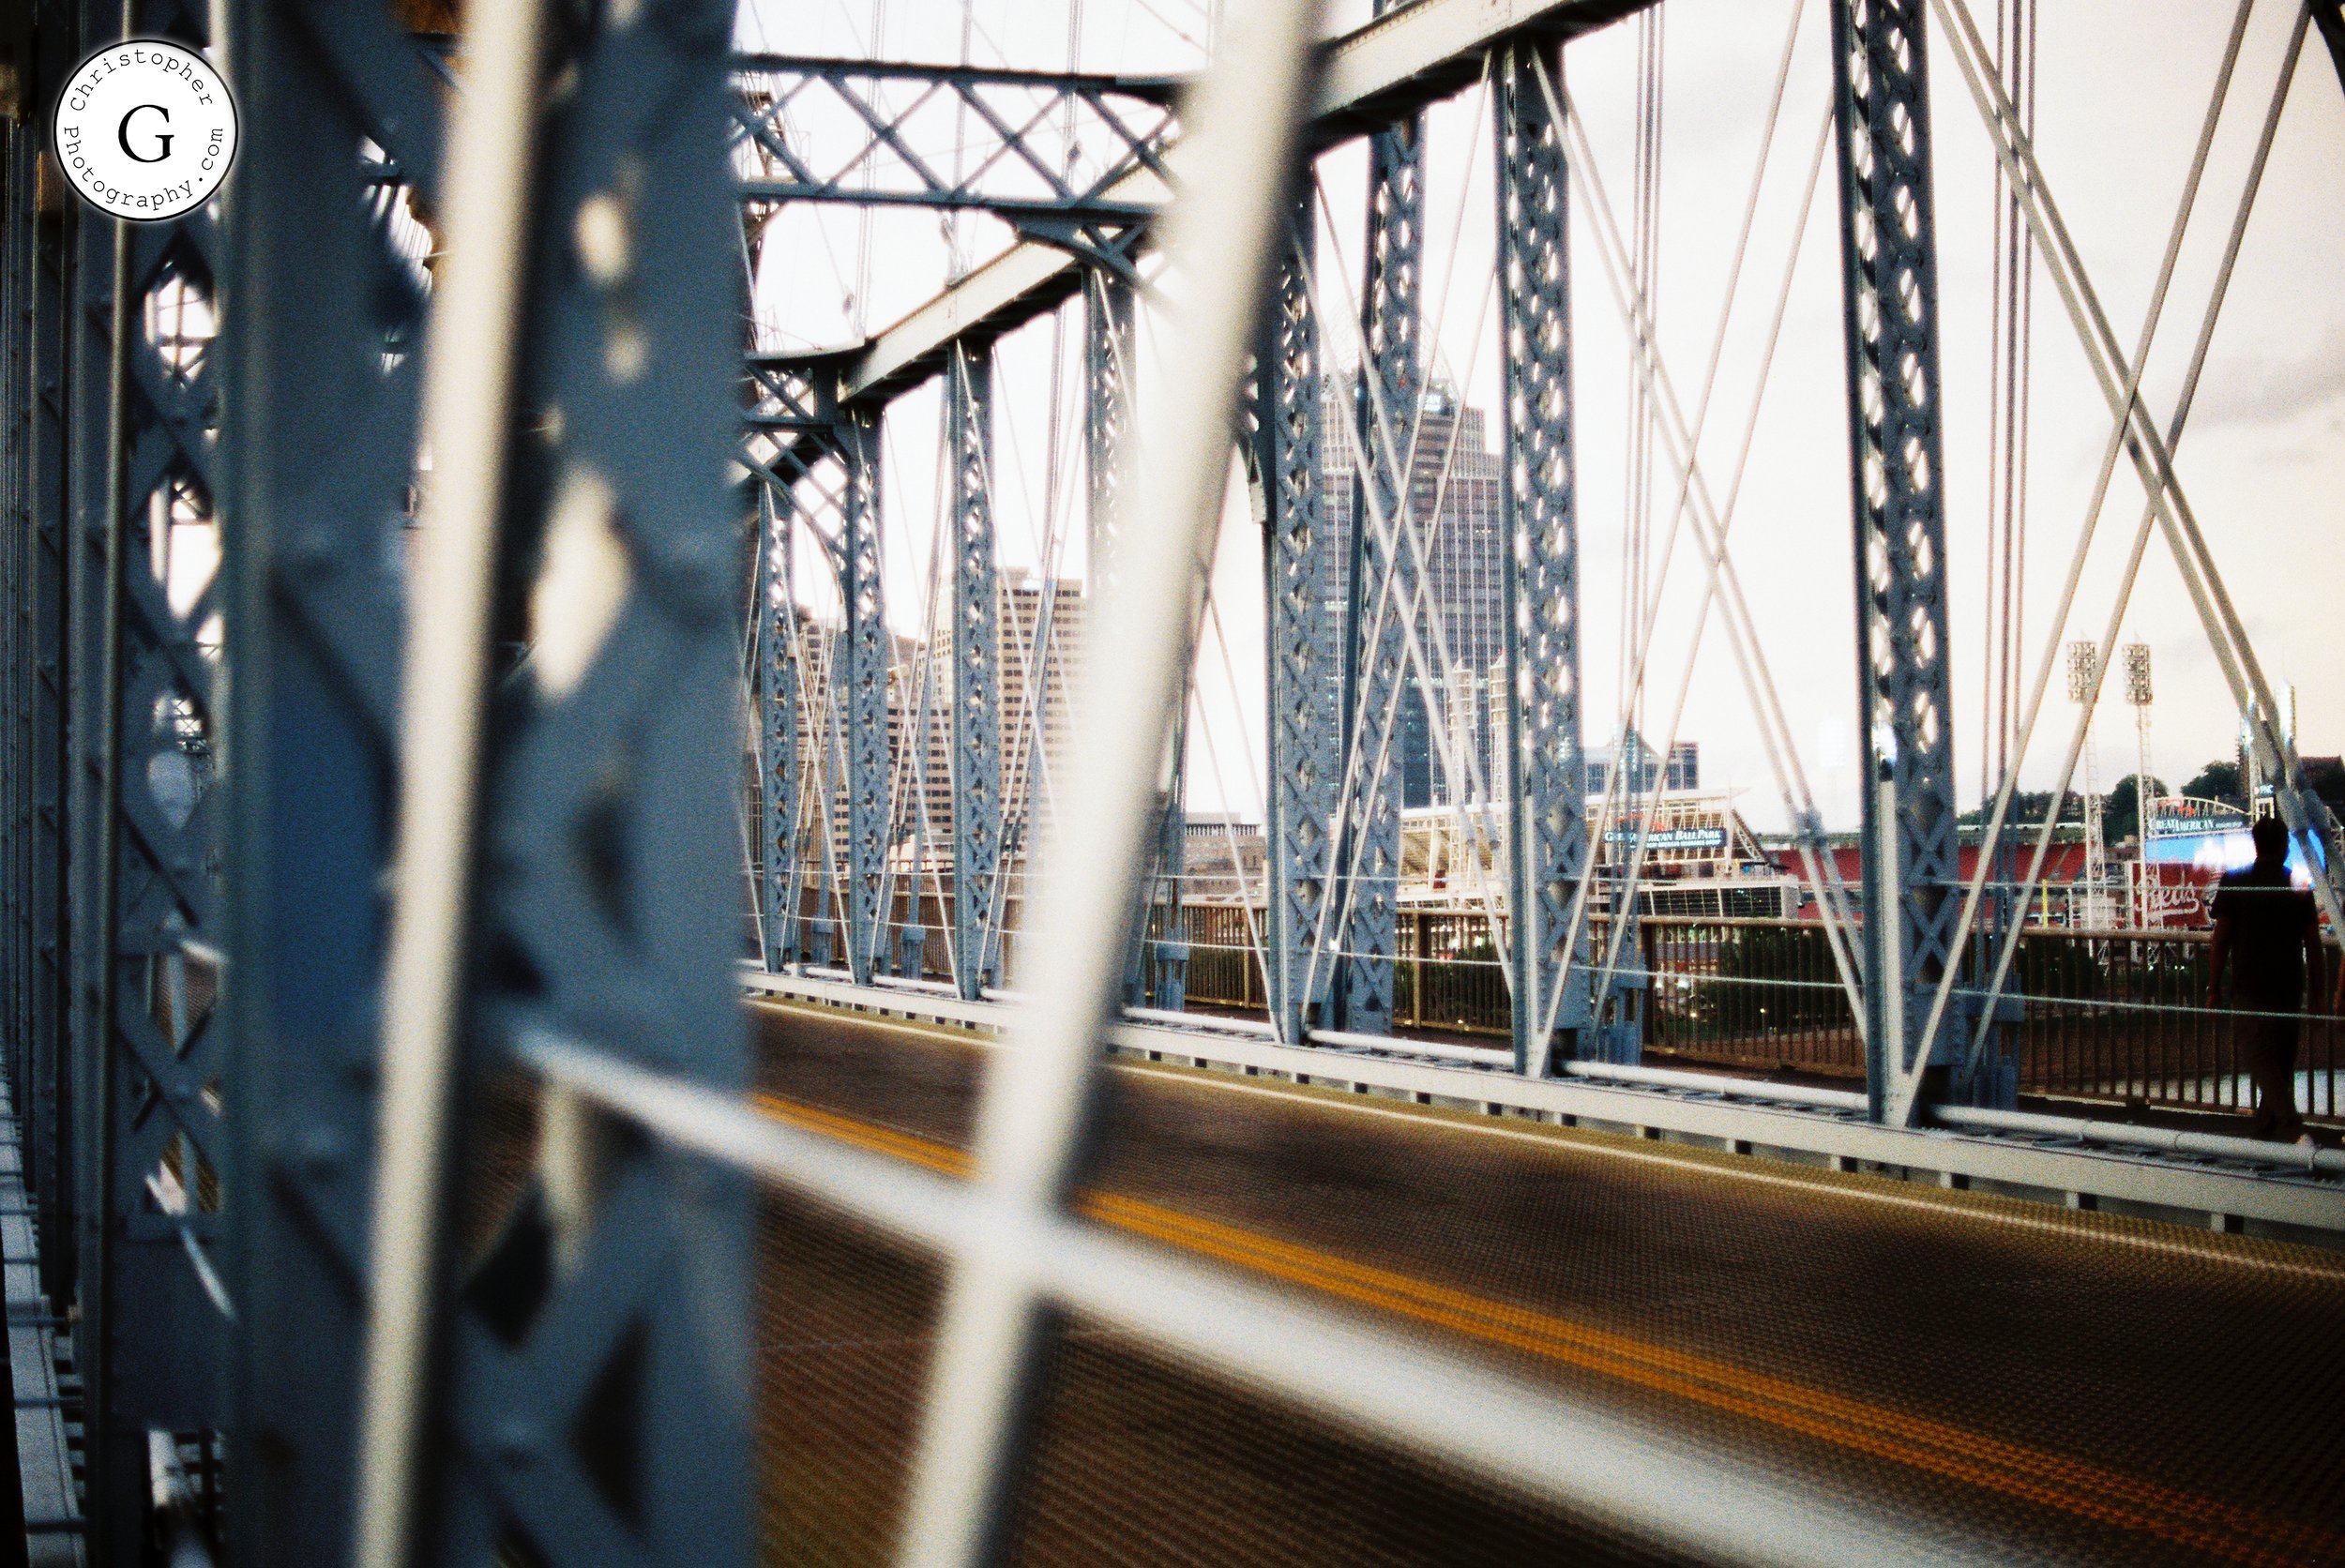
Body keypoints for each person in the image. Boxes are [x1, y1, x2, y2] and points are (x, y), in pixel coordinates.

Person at [2205, 816, 2324, 1148]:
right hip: (2289, 986)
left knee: (2260, 1058)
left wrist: (2214, 988)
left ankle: (2290, 1128)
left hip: (2249, 986)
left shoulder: (2235, 881)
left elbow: (2221, 940)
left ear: (2255, 845)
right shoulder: (2298, 885)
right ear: (2285, 847)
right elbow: (2314, 946)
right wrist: (2318, 994)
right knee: (2281, 1062)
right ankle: (2269, 1128)